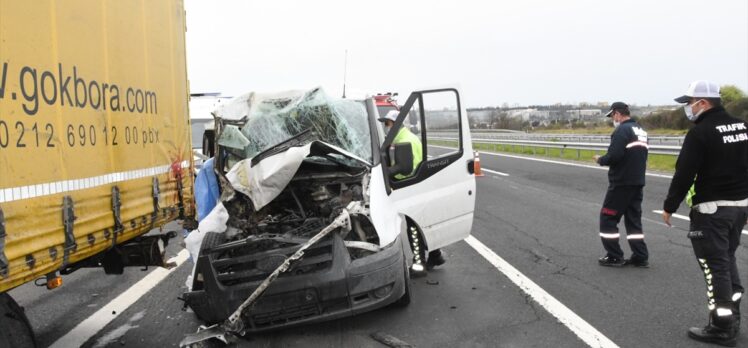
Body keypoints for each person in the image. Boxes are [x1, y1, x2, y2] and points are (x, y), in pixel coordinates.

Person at [663, 80, 747, 346]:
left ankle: (722, 326)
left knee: (714, 267)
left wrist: (669, 206)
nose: (688, 108)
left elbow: (684, 173)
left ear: (703, 102)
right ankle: (733, 316)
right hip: (740, 207)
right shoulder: (742, 126)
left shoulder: (701, 133)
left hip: (712, 210)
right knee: (726, 261)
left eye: (689, 102)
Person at [378, 110, 445, 274]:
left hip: (412, 187)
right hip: (417, 185)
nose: (385, 127)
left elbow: (405, 168)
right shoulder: (401, 138)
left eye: (387, 123)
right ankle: (436, 255)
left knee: (413, 227)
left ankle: (419, 265)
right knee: (421, 224)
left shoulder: (405, 140)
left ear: (395, 123)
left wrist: (385, 174)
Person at [592, 102, 649, 267]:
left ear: (617, 114)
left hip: (622, 182)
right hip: (637, 181)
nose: (612, 120)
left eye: (611, 116)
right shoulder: (641, 131)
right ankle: (640, 256)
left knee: (608, 218)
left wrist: (601, 160)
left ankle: (614, 255)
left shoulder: (622, 130)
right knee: (633, 220)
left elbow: (615, 156)